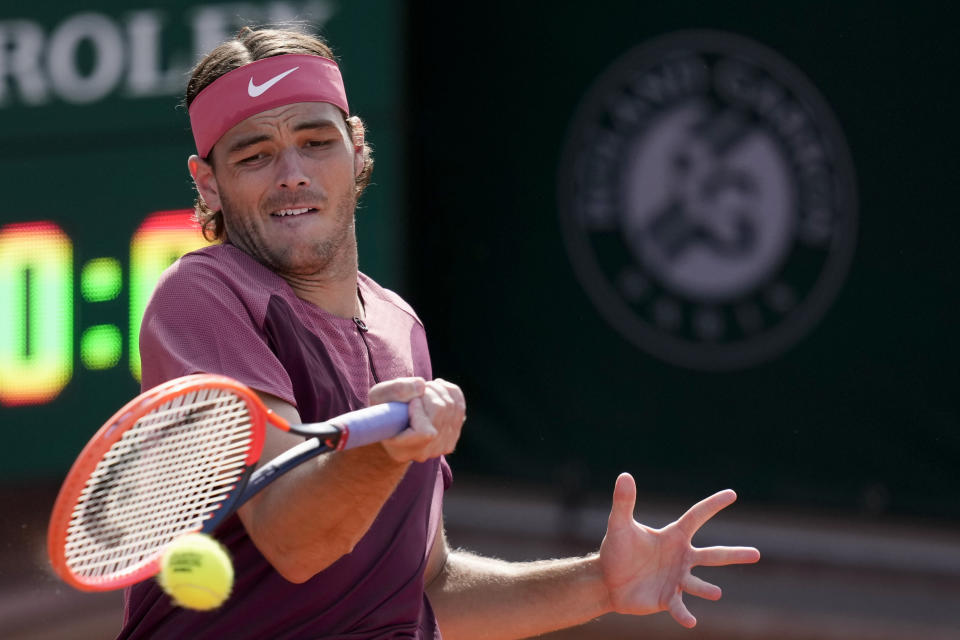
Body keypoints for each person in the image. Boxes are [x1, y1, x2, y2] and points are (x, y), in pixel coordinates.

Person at [118, 26, 760, 640]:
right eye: (254, 154)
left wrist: (600, 584)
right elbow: (294, 541)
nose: (291, 172)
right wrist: (387, 450)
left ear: (357, 147)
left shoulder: (400, 328)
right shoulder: (202, 298)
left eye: (316, 141)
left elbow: (430, 588)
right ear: (209, 184)